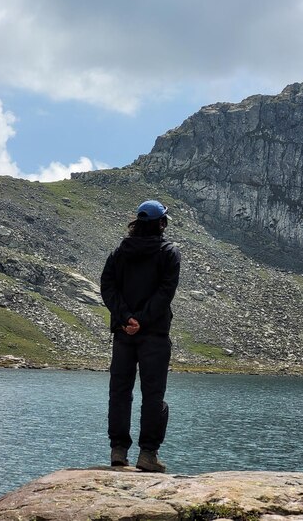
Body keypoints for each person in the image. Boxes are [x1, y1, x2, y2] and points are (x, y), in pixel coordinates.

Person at [100, 200, 181, 472]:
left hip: (123, 335)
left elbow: (108, 287)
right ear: (161, 223)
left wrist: (126, 319)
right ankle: (148, 455)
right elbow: (165, 292)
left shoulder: (119, 253)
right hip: (155, 335)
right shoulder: (169, 252)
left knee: (120, 392)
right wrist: (142, 320)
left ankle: (118, 451)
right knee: (153, 395)